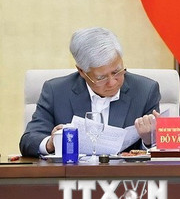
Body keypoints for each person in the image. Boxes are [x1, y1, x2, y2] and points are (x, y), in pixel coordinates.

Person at [19, 27, 161, 157]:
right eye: (101, 77)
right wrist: (51, 143)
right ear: (81, 71)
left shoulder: (145, 90)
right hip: (73, 174)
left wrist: (148, 140)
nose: (112, 82)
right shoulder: (56, 91)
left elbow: (159, 150)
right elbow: (29, 141)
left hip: (124, 175)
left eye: (117, 72)